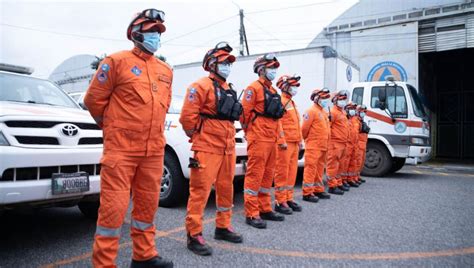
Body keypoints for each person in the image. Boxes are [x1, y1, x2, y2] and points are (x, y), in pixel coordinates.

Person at [84, 9, 173, 268]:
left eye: (158, 32)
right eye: (151, 31)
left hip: (154, 150)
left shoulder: (165, 70)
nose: (156, 36)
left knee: (147, 207)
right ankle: (104, 264)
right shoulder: (115, 62)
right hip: (121, 150)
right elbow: (93, 101)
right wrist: (112, 127)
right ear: (135, 33)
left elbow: (164, 105)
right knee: (113, 209)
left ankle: (144, 256)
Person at [179, 42, 243, 256]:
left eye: (229, 62)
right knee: (200, 192)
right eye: (223, 62)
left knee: (226, 188)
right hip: (207, 147)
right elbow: (187, 119)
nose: (227, 65)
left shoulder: (229, 89)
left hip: (227, 147)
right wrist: (201, 137)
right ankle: (193, 234)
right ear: (211, 64)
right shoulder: (199, 86)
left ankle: (223, 226)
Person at [241, 53, 286, 229]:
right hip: (259, 138)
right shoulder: (253, 89)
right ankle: (251, 214)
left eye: (275, 68)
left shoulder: (273, 91)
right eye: (271, 68)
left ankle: (265, 208)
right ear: (261, 69)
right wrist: (250, 131)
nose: (274, 71)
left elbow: (277, 118)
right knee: (255, 176)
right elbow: (244, 114)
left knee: (268, 176)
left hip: (272, 138)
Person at [274, 75, 303, 214]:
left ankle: (288, 198)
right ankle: (280, 201)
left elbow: (296, 123)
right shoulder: (280, 101)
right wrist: (281, 140)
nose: (295, 88)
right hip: (285, 144)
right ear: (284, 86)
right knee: (282, 172)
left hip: (294, 142)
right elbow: (277, 123)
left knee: (292, 172)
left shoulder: (291, 102)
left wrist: (300, 140)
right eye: (292, 85)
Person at [301, 88, 332, 201]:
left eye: (326, 98)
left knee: (319, 169)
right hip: (314, 146)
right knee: (311, 169)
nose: (325, 100)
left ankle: (318, 190)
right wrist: (306, 140)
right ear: (317, 99)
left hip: (323, 146)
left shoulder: (323, 112)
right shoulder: (311, 111)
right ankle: (307, 193)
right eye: (323, 98)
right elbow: (304, 129)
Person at [326, 90, 350, 195]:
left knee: (340, 165)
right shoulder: (333, 112)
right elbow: (328, 128)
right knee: (333, 165)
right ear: (335, 100)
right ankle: (332, 185)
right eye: (341, 99)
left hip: (343, 142)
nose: (343, 101)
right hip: (335, 143)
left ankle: (338, 183)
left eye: (344, 99)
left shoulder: (343, 112)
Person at [341, 102, 361, 188]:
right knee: (344, 163)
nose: (353, 111)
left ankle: (350, 178)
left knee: (353, 162)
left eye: (354, 109)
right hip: (347, 143)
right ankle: (343, 179)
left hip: (354, 144)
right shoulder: (345, 119)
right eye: (351, 109)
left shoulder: (355, 119)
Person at [355, 104, 370, 183]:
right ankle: (353, 177)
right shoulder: (356, 120)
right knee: (357, 162)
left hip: (363, 144)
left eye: (364, 111)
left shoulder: (361, 121)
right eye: (362, 111)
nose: (363, 113)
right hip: (359, 144)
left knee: (361, 162)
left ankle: (357, 176)